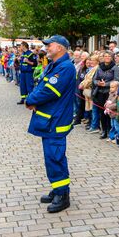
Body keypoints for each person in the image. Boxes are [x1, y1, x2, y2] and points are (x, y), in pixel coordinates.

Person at [27, 35, 77, 214]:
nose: (46, 48)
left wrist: (30, 100)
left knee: (55, 157)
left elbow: (49, 91)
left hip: (55, 121)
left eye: (50, 45)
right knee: (51, 157)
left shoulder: (65, 67)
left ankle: (63, 195)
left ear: (61, 48)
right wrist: (31, 98)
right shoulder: (55, 65)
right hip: (49, 119)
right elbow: (41, 86)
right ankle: (58, 189)